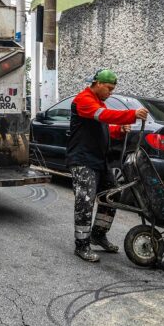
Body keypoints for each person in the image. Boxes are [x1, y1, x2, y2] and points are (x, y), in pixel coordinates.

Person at [66, 69, 149, 262]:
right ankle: (82, 245)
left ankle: (98, 234)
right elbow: (104, 116)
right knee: (85, 201)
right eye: (109, 89)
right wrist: (131, 115)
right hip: (83, 160)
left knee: (112, 193)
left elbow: (102, 127)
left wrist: (119, 129)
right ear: (98, 83)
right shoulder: (83, 100)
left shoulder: (97, 103)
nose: (110, 93)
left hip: (98, 160)